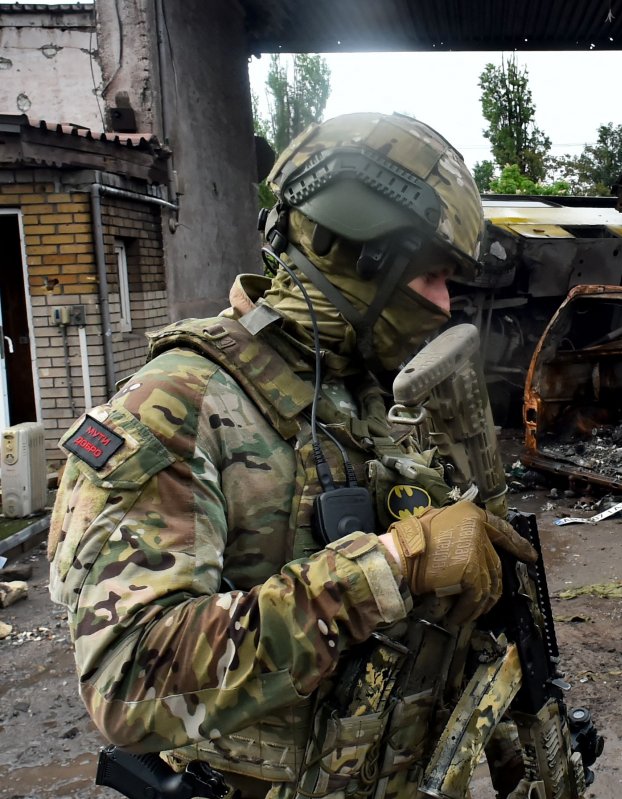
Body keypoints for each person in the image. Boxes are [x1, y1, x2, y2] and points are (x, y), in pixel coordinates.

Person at [48, 112, 536, 799]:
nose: (446, 303)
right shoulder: (176, 405)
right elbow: (128, 681)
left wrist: (510, 732)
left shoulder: (369, 399)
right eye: (432, 276)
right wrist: (390, 565)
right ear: (363, 257)